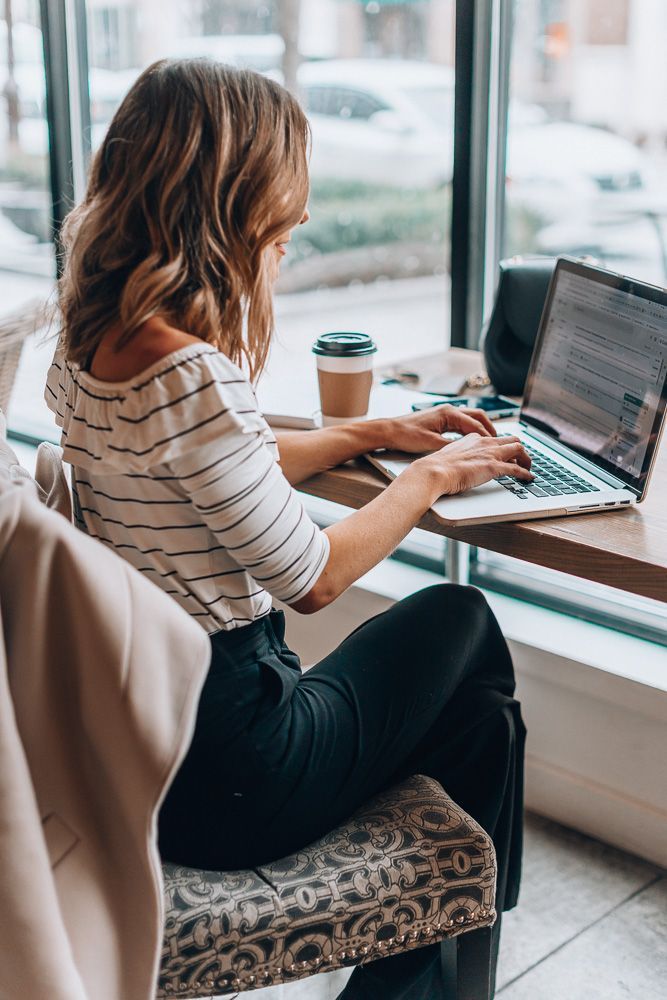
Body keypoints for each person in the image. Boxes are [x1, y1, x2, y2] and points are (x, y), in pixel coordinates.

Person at [45, 59, 531, 999]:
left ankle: (436, 960)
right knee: (461, 620)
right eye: (283, 193)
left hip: (148, 747)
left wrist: (375, 433)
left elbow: (216, 462)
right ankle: (474, 936)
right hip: (234, 776)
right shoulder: (191, 375)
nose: (297, 220)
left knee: (477, 723)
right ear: (226, 200)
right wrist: (430, 472)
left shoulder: (94, 335)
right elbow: (312, 574)